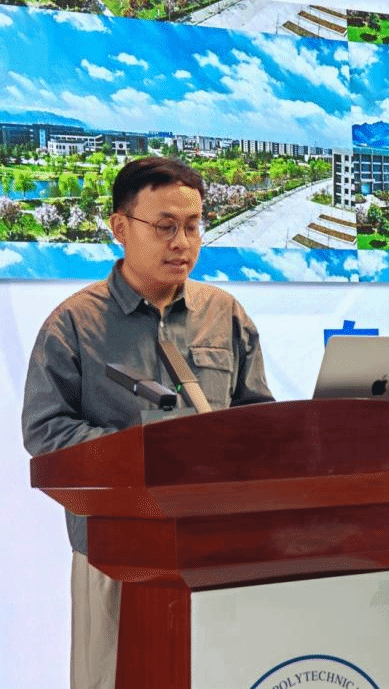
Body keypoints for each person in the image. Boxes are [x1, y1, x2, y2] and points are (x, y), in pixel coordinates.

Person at [21, 157, 275, 689]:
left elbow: (257, 418)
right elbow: (46, 432)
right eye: (165, 227)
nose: (182, 243)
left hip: (218, 545)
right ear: (120, 228)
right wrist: (143, 452)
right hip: (117, 553)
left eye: (193, 226)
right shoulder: (73, 324)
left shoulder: (226, 314)